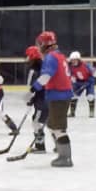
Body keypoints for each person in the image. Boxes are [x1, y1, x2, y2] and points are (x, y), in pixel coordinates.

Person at [29, 31, 74, 167]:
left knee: (58, 128)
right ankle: (62, 154)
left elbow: (45, 77)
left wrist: (33, 89)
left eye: (39, 44)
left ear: (43, 44)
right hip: (60, 95)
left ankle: (65, 158)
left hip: (58, 96)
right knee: (54, 126)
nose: (38, 47)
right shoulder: (59, 55)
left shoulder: (51, 57)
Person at [25, 46, 49, 153]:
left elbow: (33, 87)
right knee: (52, 123)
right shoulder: (46, 66)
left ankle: (40, 147)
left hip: (42, 100)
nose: (27, 60)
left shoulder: (34, 71)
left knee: (36, 122)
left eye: (29, 57)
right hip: (52, 98)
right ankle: (59, 145)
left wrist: (30, 98)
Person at [68, 51, 96, 118]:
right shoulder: (70, 66)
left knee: (90, 96)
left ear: (78, 59)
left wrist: (91, 78)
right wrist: (72, 79)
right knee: (73, 96)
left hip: (88, 82)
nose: (73, 61)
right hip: (78, 82)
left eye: (74, 60)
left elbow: (94, 73)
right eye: (72, 60)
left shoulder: (85, 65)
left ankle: (91, 112)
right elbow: (70, 74)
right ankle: (72, 113)